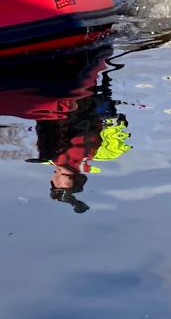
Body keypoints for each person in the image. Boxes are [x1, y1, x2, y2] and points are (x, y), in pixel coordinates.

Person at [30, 69, 130, 213]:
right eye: (64, 178)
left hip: (56, 104)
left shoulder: (46, 156)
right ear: (77, 178)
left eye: (55, 182)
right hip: (81, 104)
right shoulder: (95, 154)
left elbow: (42, 123)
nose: (57, 180)